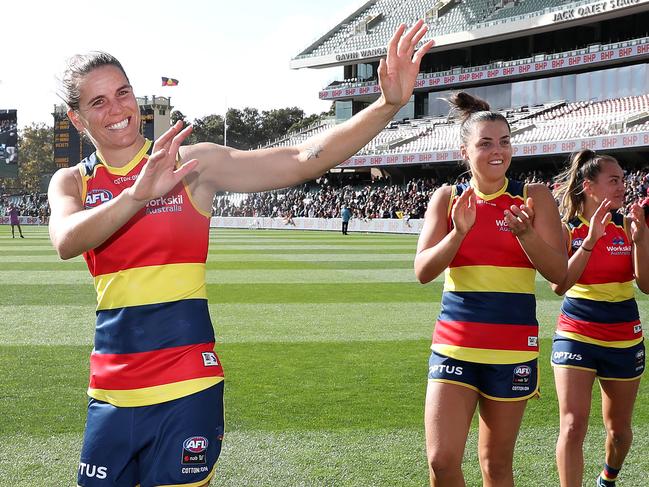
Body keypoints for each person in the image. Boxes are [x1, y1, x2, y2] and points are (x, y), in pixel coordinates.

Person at [47, 21, 433, 487]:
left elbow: (302, 157)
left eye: (123, 93)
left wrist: (387, 104)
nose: (117, 109)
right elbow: (67, 239)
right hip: (110, 390)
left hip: (187, 385)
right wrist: (136, 195)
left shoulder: (193, 166)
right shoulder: (73, 182)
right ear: (77, 118)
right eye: (98, 102)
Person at [414, 92, 567, 487]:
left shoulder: (534, 197)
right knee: (441, 461)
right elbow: (423, 271)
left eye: (504, 141)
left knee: (495, 466)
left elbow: (560, 276)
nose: (497, 151)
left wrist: (526, 233)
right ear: (465, 151)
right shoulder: (447, 199)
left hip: (511, 348)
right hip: (455, 344)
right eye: (485, 143)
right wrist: (459, 233)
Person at [550, 150, 648, 487]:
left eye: (623, 179)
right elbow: (559, 284)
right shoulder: (567, 230)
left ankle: (608, 477)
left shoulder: (631, 225)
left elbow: (646, 285)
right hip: (576, 331)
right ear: (589, 187)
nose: (623, 186)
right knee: (573, 424)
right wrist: (590, 241)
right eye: (614, 180)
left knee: (619, 432)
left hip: (624, 338)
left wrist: (641, 240)